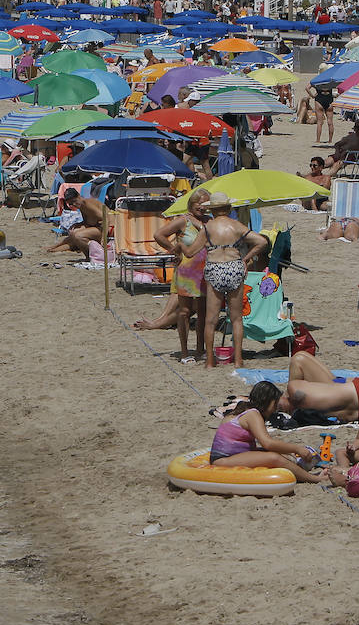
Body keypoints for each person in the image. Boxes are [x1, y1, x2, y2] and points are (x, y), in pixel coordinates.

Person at [180, 192, 269, 369]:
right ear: (228, 208)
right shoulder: (236, 225)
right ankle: (238, 359)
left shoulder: (208, 228)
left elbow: (190, 253)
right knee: (236, 319)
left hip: (215, 267)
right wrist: (245, 259)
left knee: (211, 320)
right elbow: (261, 242)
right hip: (234, 266)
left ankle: (210, 361)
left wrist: (180, 244)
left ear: (212, 210)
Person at [133, 189, 210, 362]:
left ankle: (200, 349)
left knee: (202, 313)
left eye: (205, 204)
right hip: (185, 272)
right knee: (184, 312)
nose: (202, 207)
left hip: (204, 272)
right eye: (199, 204)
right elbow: (158, 235)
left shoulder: (209, 221)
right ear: (191, 203)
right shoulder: (183, 220)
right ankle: (184, 352)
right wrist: (174, 250)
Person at [208, 381, 326, 483]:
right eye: (274, 404)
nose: (275, 409)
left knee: (283, 456)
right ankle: (314, 479)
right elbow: (267, 443)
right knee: (274, 458)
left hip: (233, 455)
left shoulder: (244, 410)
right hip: (223, 460)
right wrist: (297, 449)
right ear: (267, 401)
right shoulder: (252, 414)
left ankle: (301, 470)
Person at [45, 188, 107, 254]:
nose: (74, 204)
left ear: (79, 196)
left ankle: (89, 256)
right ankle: (54, 248)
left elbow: (106, 219)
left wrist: (104, 238)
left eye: (74, 201)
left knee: (78, 235)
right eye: (71, 204)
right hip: (97, 227)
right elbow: (87, 222)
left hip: (107, 229)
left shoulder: (87, 204)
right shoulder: (81, 206)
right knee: (73, 233)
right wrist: (77, 224)